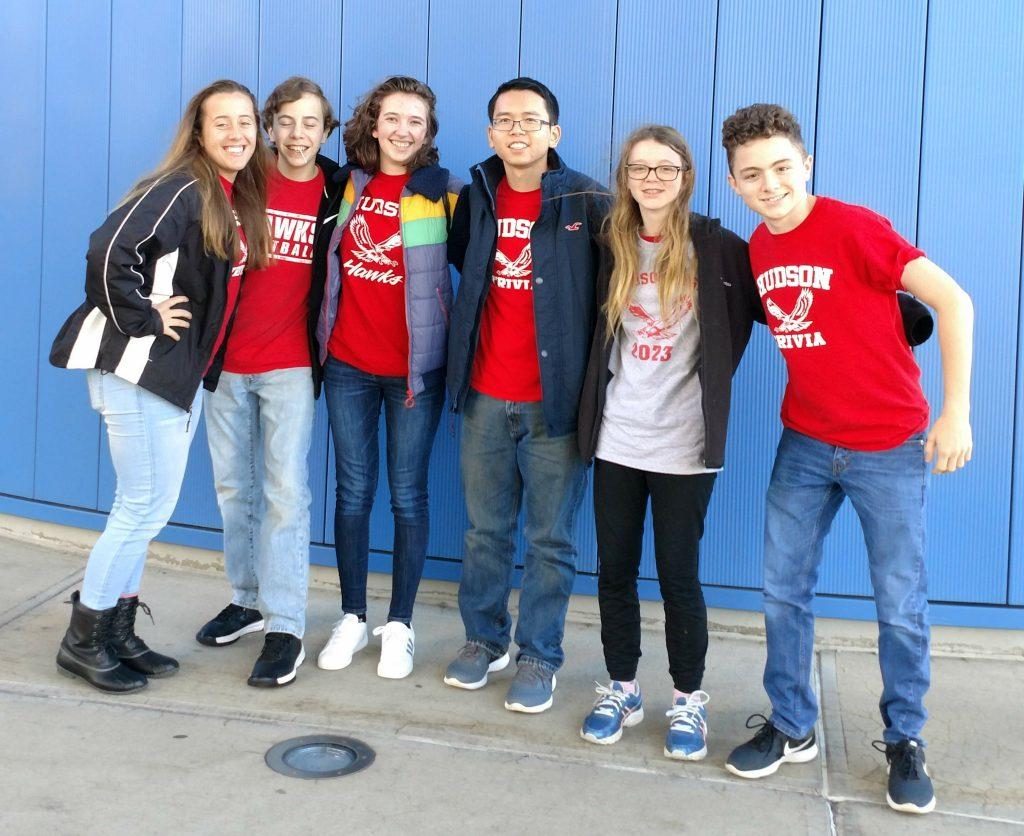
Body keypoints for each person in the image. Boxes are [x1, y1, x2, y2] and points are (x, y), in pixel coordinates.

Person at [720, 104, 974, 815]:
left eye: (780, 167)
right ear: (736, 184)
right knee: (782, 589)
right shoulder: (758, 247)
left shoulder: (855, 226)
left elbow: (953, 302)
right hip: (804, 442)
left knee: (898, 603)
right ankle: (793, 724)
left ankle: (904, 740)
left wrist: (954, 412)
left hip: (888, 446)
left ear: (805, 163)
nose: (769, 185)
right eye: (751, 175)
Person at [49, 80, 271, 693]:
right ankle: (83, 638)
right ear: (197, 133)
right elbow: (109, 251)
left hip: (176, 375)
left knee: (147, 508)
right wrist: (143, 317)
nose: (236, 134)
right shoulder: (181, 187)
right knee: (140, 507)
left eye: (246, 122)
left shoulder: (225, 195)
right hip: (140, 367)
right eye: (220, 123)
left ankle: (117, 632)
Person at [576, 125, 760, 756]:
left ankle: (687, 701)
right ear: (625, 176)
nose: (651, 179)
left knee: (680, 578)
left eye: (665, 168)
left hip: (685, 444)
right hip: (617, 439)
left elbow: (782, 303)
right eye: (639, 168)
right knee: (615, 573)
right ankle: (622, 688)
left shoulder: (719, 247)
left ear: (686, 176)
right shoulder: (611, 244)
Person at [443, 77, 610, 713]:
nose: (518, 129)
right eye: (505, 120)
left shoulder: (586, 201)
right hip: (485, 396)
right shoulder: (477, 198)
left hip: (555, 405)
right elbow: (462, 265)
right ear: (491, 134)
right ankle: (483, 640)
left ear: (553, 134)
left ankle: (539, 655)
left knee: (549, 540)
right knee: (485, 532)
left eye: (531, 120)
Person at [195, 77, 341, 688]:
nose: (298, 134)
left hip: (289, 363)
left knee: (285, 494)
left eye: (311, 123)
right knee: (235, 489)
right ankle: (248, 598)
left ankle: (285, 624)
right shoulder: (241, 178)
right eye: (286, 121)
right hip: (225, 361)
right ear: (268, 127)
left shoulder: (340, 188)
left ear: (326, 131)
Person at [315, 76, 462, 680]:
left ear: (428, 135)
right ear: (373, 124)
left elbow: (483, 275)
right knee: (353, 494)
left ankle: (399, 624)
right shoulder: (345, 185)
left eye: (416, 123)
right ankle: (352, 616)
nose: (403, 131)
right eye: (392, 118)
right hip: (347, 364)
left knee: (407, 495)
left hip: (412, 375)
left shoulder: (446, 193)